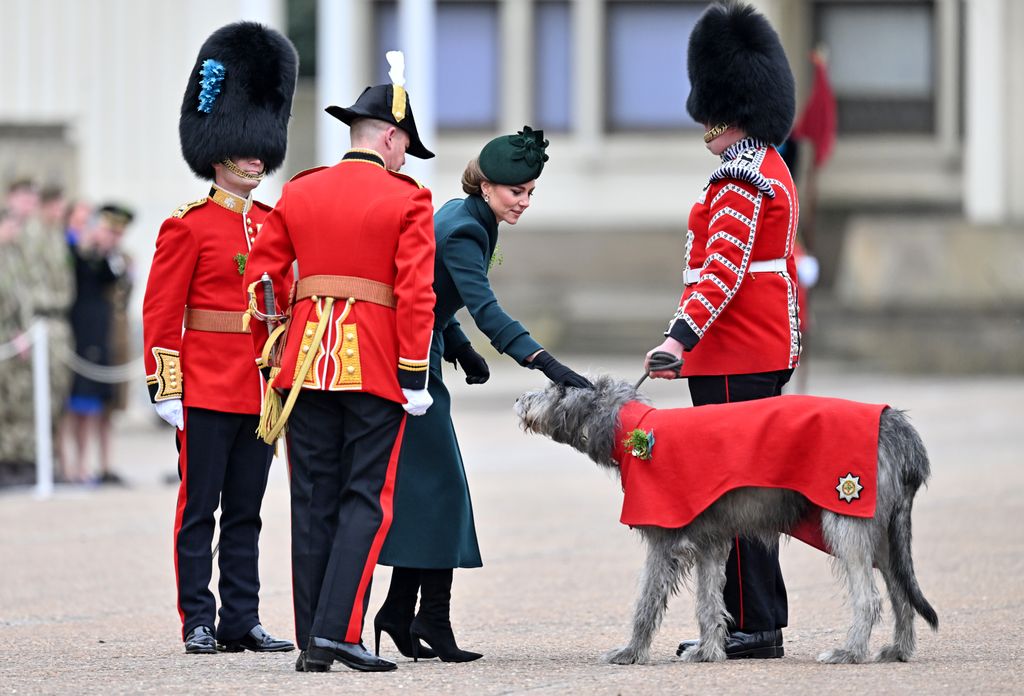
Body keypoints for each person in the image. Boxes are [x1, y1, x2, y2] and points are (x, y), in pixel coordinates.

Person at [243, 51, 437, 673]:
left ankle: (312, 643)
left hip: (302, 367)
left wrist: (272, 352)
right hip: (377, 364)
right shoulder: (408, 197)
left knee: (312, 501)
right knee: (365, 499)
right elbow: (415, 293)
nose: (407, 157)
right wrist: (415, 374)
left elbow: (263, 284)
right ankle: (338, 631)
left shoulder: (298, 190)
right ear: (389, 136)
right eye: (406, 144)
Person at [374, 127, 592, 663]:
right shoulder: (466, 230)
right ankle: (429, 619)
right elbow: (486, 307)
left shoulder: (466, 214)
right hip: (405, 358)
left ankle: (402, 611)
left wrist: (457, 343)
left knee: (430, 488)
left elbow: (429, 290)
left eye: (531, 192)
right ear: (488, 185)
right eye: (516, 191)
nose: (524, 201)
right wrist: (545, 363)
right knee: (442, 485)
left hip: (418, 344)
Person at [644, 1, 800, 660]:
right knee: (745, 489)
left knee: (736, 492)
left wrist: (678, 338)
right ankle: (749, 618)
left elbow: (722, 274)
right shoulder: (762, 166)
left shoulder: (740, 175)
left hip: (735, 351)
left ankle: (751, 623)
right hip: (752, 345)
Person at [141, 22, 298, 656]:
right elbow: (161, 311)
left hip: (258, 388)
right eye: (246, 148)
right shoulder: (187, 227)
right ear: (219, 150)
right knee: (197, 511)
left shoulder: (273, 223)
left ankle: (241, 617)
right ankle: (198, 619)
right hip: (205, 384)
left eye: (263, 148)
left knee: (246, 514)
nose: (257, 158)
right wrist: (165, 385)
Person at [67, 204, 132, 484]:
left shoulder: (118, 258)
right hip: (85, 334)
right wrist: (91, 245)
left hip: (112, 338)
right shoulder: (82, 254)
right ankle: (78, 465)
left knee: (107, 405)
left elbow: (118, 280)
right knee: (80, 405)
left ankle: (104, 465)